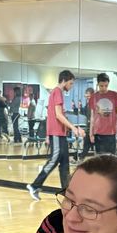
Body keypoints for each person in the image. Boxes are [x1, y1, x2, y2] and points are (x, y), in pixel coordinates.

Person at [27, 70, 85, 201]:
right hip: (57, 134)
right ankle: (34, 185)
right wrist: (73, 128)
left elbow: (51, 115)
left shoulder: (55, 93)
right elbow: (58, 115)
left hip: (59, 134)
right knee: (54, 160)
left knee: (64, 163)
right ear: (64, 81)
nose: (71, 86)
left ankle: (67, 192)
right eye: (70, 83)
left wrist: (48, 134)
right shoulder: (57, 92)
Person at [89, 73, 117, 156]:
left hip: (111, 133)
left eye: (106, 85)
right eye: (101, 86)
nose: (104, 88)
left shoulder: (115, 95)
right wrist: (91, 133)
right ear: (98, 84)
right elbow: (92, 117)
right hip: (98, 132)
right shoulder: (93, 97)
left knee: (111, 159)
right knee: (99, 159)